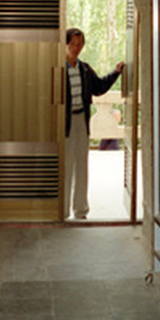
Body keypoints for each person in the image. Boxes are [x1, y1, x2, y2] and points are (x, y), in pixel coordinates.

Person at [64, 27, 125, 220]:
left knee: (82, 165)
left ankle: (80, 210)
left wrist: (116, 73)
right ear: (65, 44)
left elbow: (98, 87)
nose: (76, 48)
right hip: (64, 123)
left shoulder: (84, 69)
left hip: (81, 120)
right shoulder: (58, 68)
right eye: (73, 44)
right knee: (65, 167)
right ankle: (62, 210)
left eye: (80, 44)